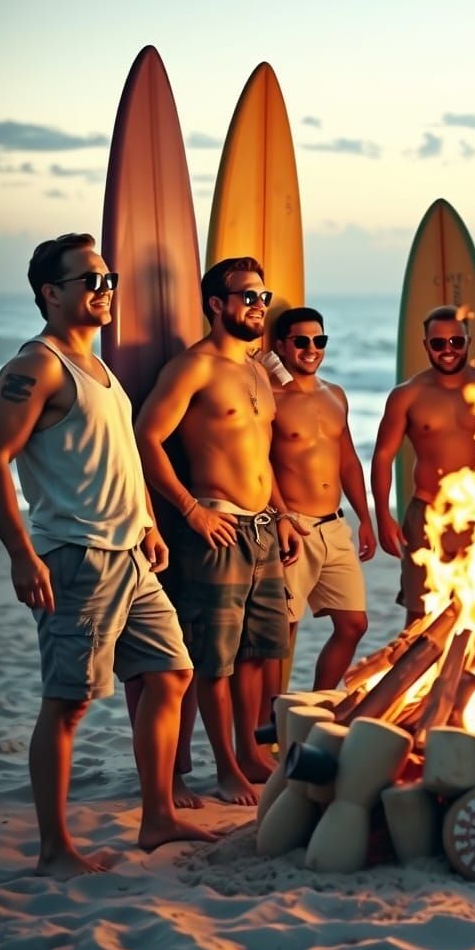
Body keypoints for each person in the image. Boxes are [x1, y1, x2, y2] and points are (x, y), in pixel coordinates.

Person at [0, 233, 214, 879]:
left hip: (130, 554)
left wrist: (147, 524)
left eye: (109, 280)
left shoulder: (98, 366)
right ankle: (56, 851)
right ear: (51, 294)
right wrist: (23, 555)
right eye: (89, 281)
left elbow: (117, 453)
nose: (105, 291)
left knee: (171, 673)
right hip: (76, 558)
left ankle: (157, 814)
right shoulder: (38, 366)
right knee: (68, 703)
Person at [134, 256, 299, 807]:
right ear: (216, 305)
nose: (258, 306)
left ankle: (250, 750)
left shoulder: (257, 368)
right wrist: (190, 511)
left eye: (262, 296)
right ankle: (226, 767)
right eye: (247, 297)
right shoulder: (194, 367)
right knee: (214, 658)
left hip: (262, 529)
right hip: (217, 528)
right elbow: (147, 438)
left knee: (258, 651)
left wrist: (281, 515)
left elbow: (262, 454)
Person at [371, 305, 475, 626]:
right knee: (420, 614)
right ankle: (420, 678)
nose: (448, 350)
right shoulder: (407, 395)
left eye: (456, 342)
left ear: (468, 342)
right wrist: (383, 516)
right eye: (438, 343)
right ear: (425, 345)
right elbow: (383, 457)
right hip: (427, 516)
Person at [270, 306, 375, 690]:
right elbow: (259, 464)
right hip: (295, 528)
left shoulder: (336, 395)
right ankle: (275, 720)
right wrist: (281, 517)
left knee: (354, 623)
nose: (311, 349)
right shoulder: (270, 398)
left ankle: (320, 700)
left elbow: (348, 460)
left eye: (319, 340)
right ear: (281, 346)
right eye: (301, 341)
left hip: (335, 526)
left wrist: (366, 519)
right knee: (282, 632)